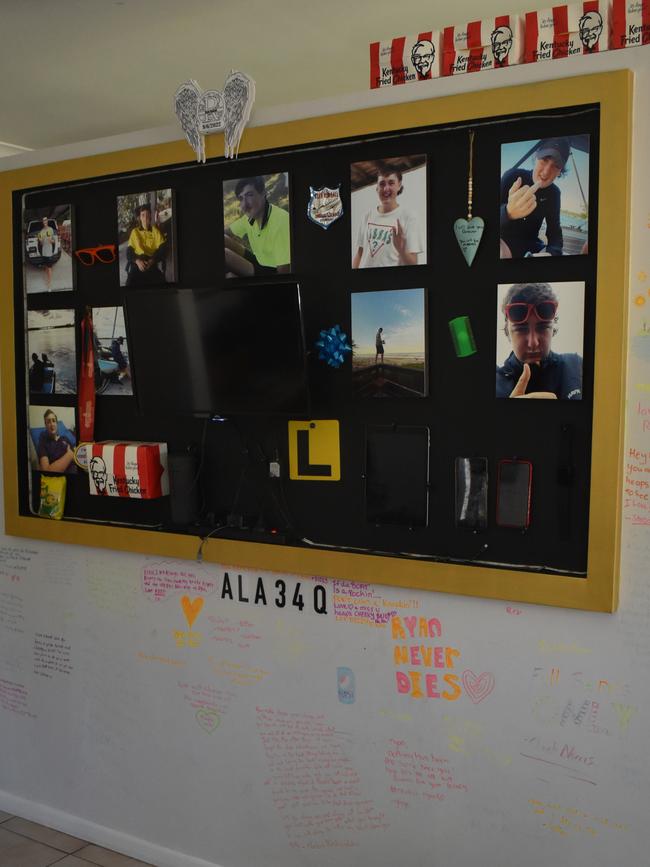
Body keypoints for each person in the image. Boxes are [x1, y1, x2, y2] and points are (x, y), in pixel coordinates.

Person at [496, 282, 582, 400]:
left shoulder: (576, 366)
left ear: (552, 328)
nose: (533, 343)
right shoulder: (495, 383)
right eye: (521, 329)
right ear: (508, 331)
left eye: (543, 327)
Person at [499, 137, 570, 258]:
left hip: (532, 245)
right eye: (544, 160)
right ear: (536, 156)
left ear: (560, 171)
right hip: (504, 241)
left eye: (556, 166)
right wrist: (508, 212)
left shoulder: (554, 193)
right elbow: (485, 221)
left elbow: (555, 234)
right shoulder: (513, 176)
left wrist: (551, 253)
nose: (546, 172)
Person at [352, 165, 424, 268]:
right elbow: (359, 253)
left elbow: (413, 264)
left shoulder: (409, 217)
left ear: (399, 185)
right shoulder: (366, 216)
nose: (386, 188)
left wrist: (401, 249)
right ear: (377, 188)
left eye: (391, 183)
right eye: (382, 184)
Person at [224, 176, 291, 277]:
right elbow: (228, 232)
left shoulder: (281, 223)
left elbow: (283, 275)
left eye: (249, 195)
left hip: (272, 274)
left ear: (263, 193)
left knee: (226, 258)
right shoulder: (251, 216)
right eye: (241, 198)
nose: (244, 205)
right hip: (260, 260)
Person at [125, 203, 167, 286]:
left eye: (148, 214)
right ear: (140, 218)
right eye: (143, 215)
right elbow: (129, 252)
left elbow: (163, 249)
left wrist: (152, 260)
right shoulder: (135, 232)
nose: (145, 217)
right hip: (137, 264)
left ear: (150, 216)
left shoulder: (155, 231)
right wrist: (137, 261)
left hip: (151, 262)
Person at [37, 216, 56, 288]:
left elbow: (54, 240)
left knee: (49, 267)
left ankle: (49, 284)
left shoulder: (50, 229)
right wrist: (40, 240)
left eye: (45, 220)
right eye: (43, 221)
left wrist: (51, 240)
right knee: (46, 267)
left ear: (47, 221)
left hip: (49, 252)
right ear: (42, 222)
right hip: (44, 252)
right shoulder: (41, 231)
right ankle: (48, 279)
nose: (44, 222)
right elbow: (41, 244)